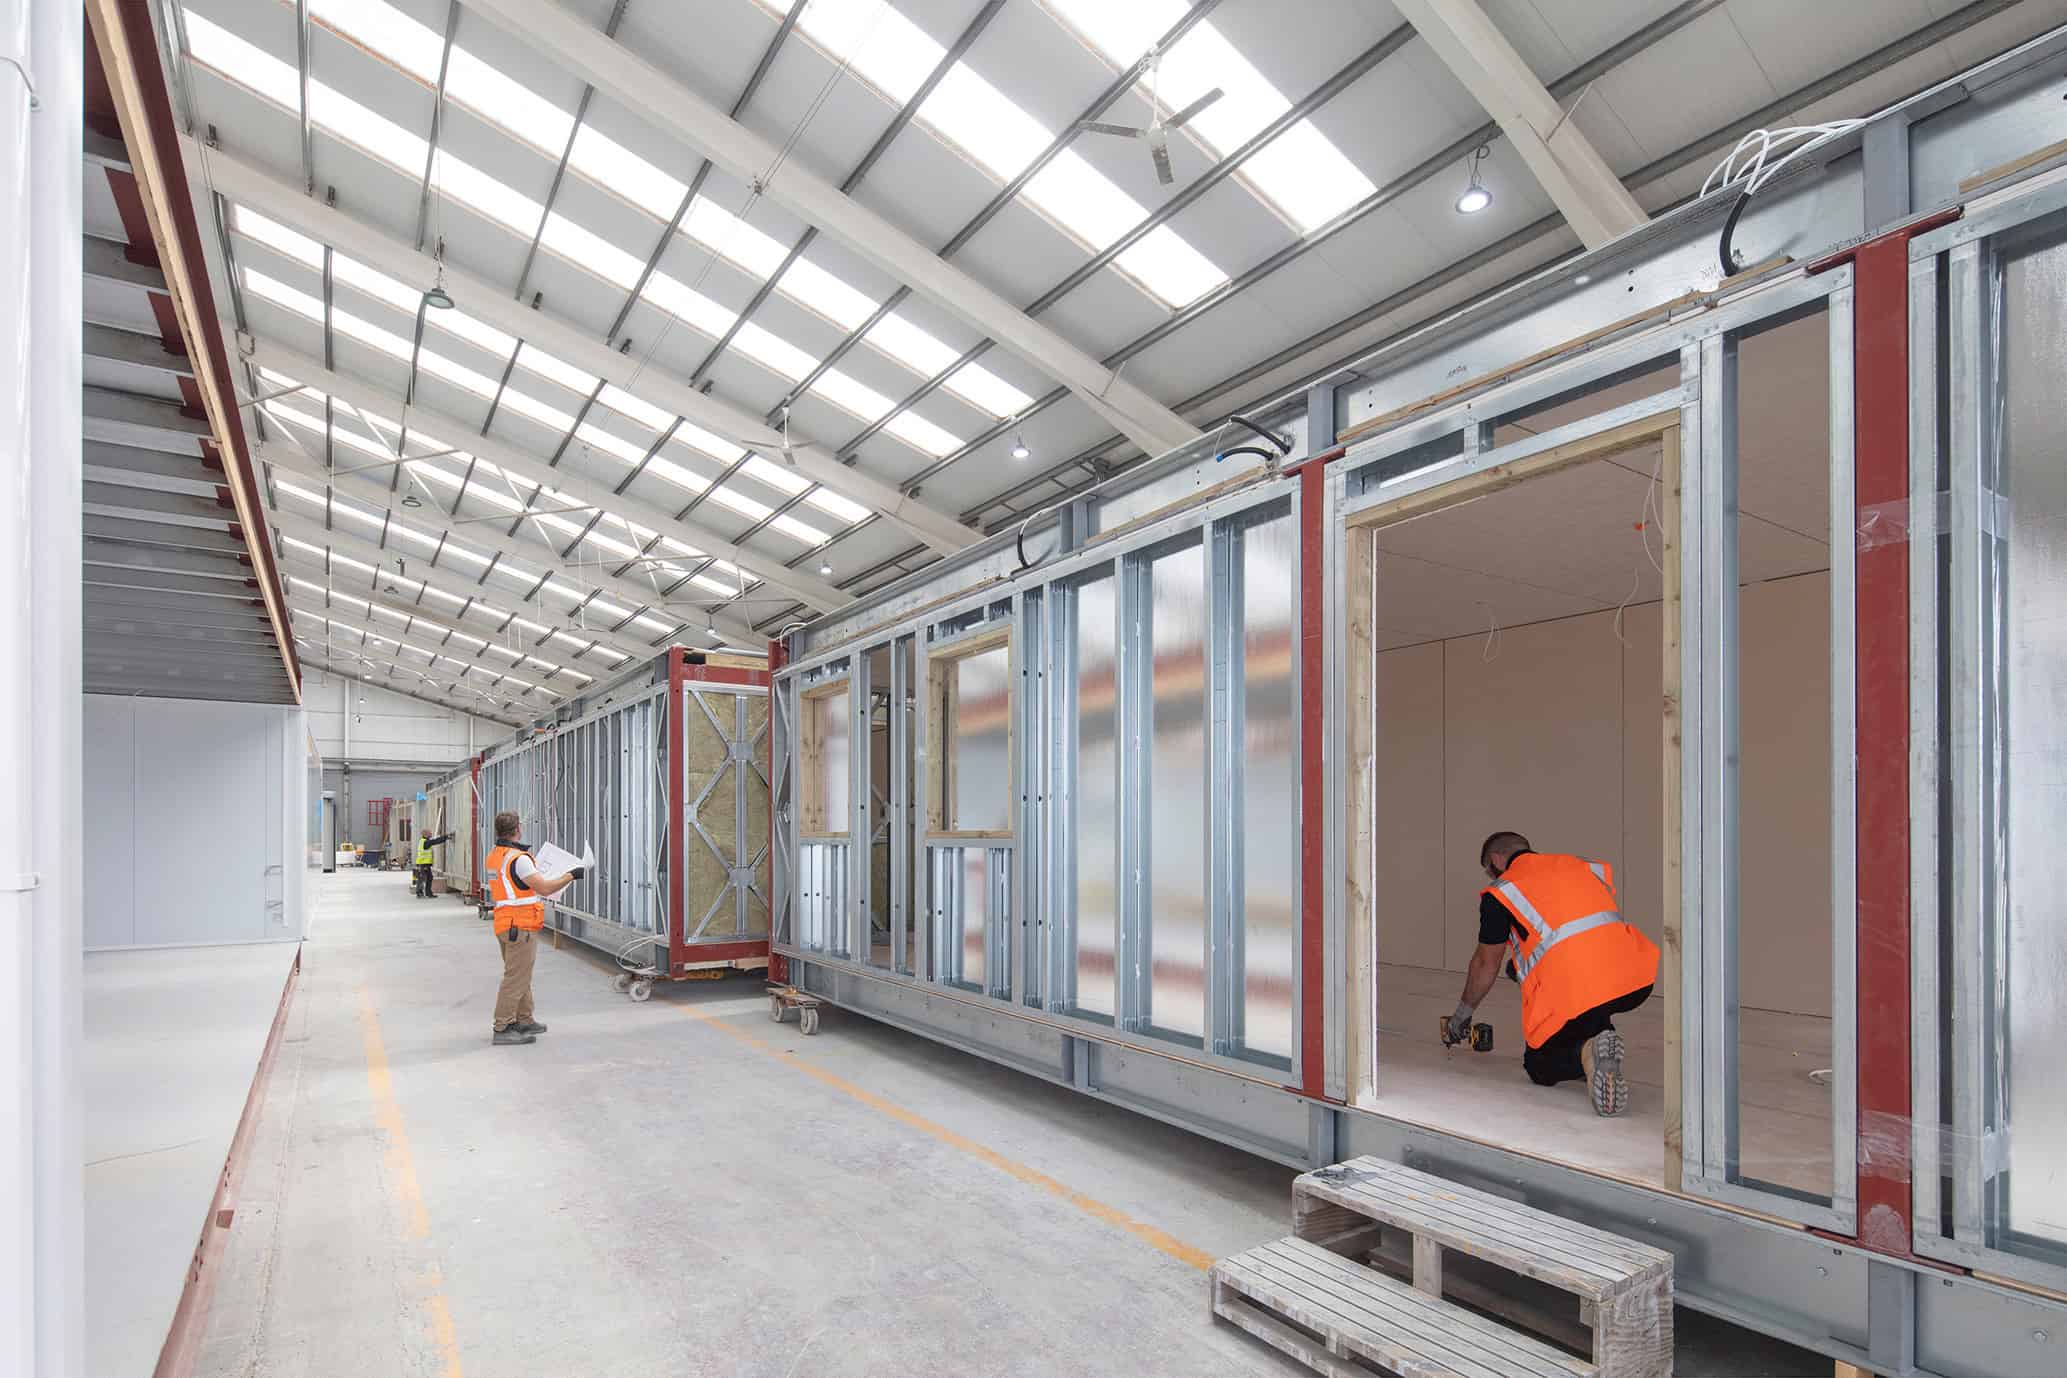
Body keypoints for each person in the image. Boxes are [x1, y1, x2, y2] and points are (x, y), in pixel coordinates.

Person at [1444, 831, 1659, 1116]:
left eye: (1488, 868)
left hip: (1576, 986)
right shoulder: (1579, 866)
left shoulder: (1503, 891)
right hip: (1634, 977)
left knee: (1539, 1066)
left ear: (1496, 859)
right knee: (1578, 990)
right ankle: (1601, 1042)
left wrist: (1462, 1015)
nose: (1490, 875)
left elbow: (1486, 963)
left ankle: (1585, 1051)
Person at [484, 810, 584, 1047]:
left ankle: (524, 1019)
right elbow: (545, 888)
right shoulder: (518, 859)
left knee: (520, 974)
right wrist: (570, 875)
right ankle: (503, 1026)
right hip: (520, 926)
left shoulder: (495, 856)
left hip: (505, 923)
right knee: (515, 977)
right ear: (518, 829)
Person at [412, 829, 453, 899]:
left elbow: (433, 841)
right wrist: (446, 837)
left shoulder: (424, 841)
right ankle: (420, 893)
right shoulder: (425, 842)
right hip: (423, 864)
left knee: (429, 878)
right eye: (429, 833)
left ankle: (428, 893)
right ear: (425, 834)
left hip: (425, 864)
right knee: (422, 878)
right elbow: (435, 841)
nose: (431, 834)